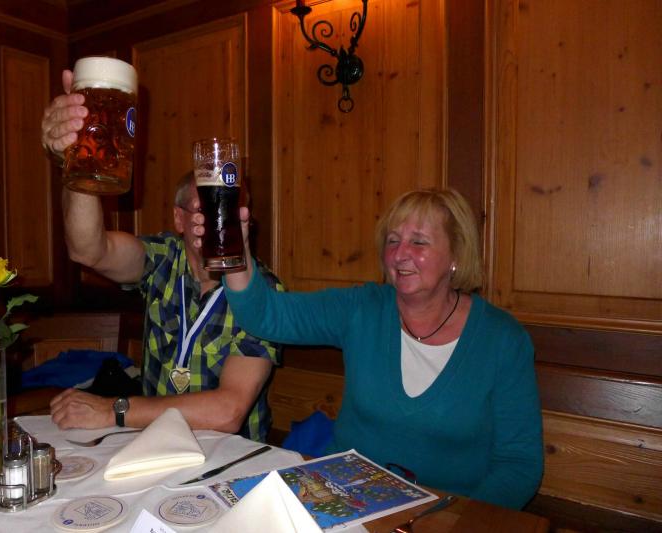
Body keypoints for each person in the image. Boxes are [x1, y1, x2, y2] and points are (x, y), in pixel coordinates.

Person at [206, 188, 543, 509]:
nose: (400, 253)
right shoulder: (363, 308)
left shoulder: (502, 339)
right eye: (393, 241)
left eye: (419, 242)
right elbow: (265, 315)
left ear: (456, 254)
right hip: (341, 498)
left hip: (446, 513)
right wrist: (236, 243)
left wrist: (465, 522)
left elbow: (519, 465)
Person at [41, 71, 284, 442]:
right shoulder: (164, 259)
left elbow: (228, 411)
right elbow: (87, 248)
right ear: (178, 219)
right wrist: (78, 157)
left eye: (229, 207)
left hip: (231, 458)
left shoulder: (263, 288)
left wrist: (112, 410)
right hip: (154, 446)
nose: (214, 219)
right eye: (201, 209)